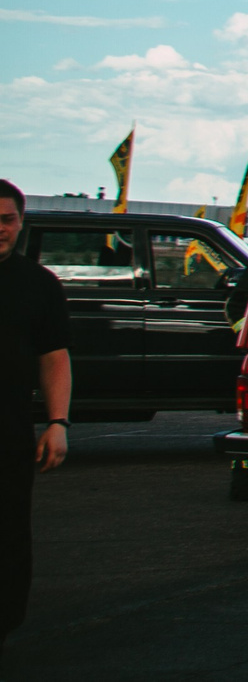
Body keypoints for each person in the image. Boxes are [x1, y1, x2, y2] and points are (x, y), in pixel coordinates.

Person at [0, 181, 70, 654]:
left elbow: (54, 356)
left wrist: (58, 422)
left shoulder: (39, 284)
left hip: (6, 434)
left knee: (6, 539)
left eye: (7, 219)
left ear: (21, 222)